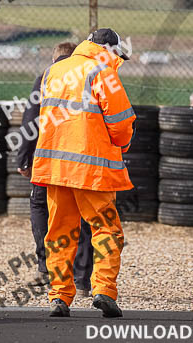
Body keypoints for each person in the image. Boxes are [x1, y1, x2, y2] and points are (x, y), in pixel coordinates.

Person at [32, 28, 135, 318]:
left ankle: (59, 297)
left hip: (55, 168)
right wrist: (124, 143)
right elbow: (121, 122)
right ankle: (103, 290)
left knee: (59, 233)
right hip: (92, 170)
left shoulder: (54, 71)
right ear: (108, 49)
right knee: (106, 230)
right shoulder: (103, 71)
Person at [16, 42, 93, 299]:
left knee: (41, 208)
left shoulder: (46, 76)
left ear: (55, 57)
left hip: (47, 160)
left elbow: (31, 121)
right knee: (82, 217)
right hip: (82, 162)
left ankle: (45, 269)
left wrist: (24, 158)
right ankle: (82, 282)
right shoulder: (90, 76)